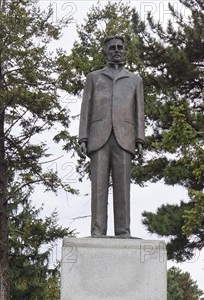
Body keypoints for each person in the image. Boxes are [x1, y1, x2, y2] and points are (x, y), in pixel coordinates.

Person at [78, 35, 145, 237]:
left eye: (120, 47)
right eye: (112, 48)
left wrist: (139, 139)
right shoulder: (94, 78)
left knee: (123, 187)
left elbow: (139, 111)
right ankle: (97, 231)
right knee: (98, 186)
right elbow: (86, 109)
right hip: (98, 137)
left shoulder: (135, 80)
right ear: (106, 52)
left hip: (125, 137)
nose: (116, 50)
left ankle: (123, 231)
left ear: (124, 51)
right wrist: (83, 137)